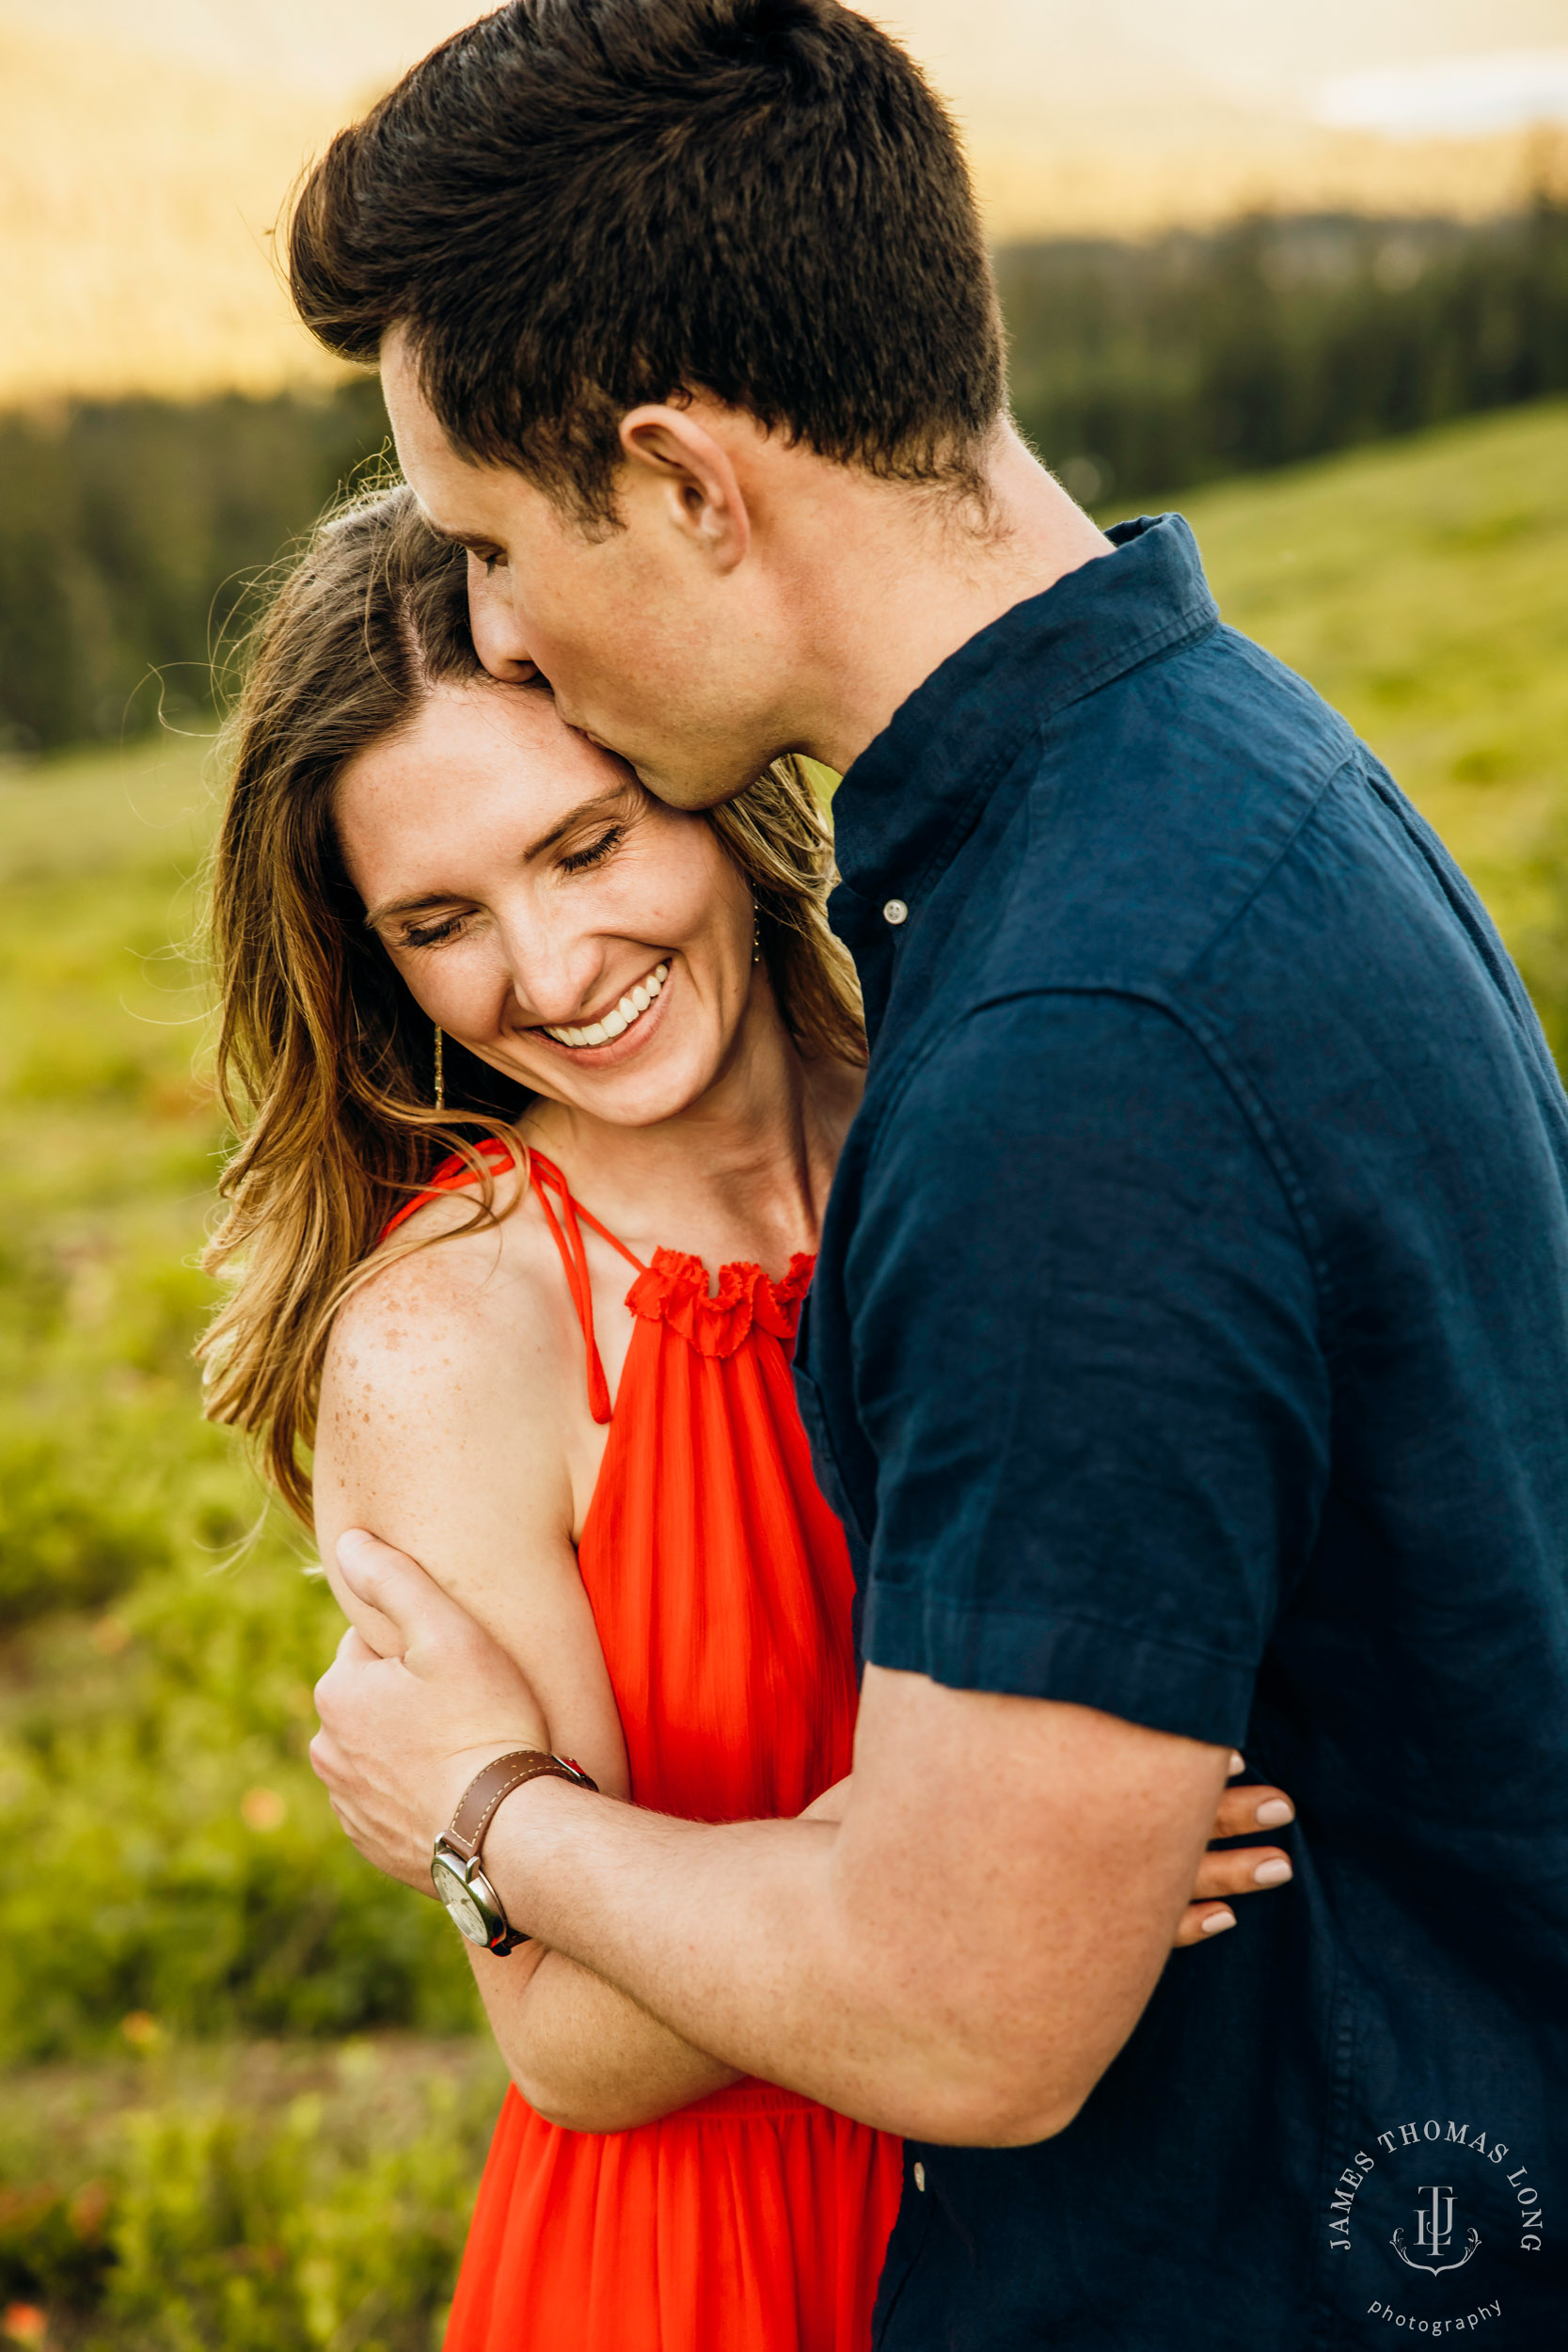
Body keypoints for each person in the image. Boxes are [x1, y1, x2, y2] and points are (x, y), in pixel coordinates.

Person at [292, 3, 1568, 2345]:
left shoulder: (1066, 1053)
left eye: (487, 540)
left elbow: (976, 2012)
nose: (489, 624)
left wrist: (489, 1806)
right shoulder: (1230, 768)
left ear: (688, 481)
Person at [200, 487, 1295, 2352]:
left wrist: (1011, 1865)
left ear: (704, 768)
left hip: (1114, 2190)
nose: (547, 972)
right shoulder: (451, 1334)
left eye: (589, 841)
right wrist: (985, 1852)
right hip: (714, 2261)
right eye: (442, 919)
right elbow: (563, 2042)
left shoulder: (970, 1115)